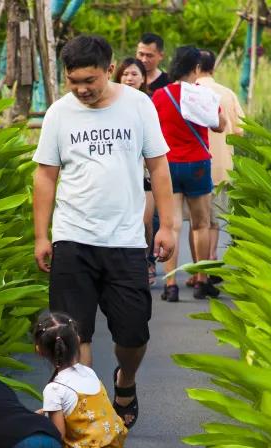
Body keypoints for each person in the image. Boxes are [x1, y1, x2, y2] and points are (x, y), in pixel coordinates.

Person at [32, 34, 177, 430]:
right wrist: (42, 236)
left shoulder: (138, 105)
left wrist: (168, 225)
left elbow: (159, 166)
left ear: (109, 70)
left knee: (132, 334)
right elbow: (46, 176)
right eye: (74, 81)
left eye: (90, 81)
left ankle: (124, 381)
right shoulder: (60, 113)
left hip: (126, 240)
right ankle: (86, 416)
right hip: (73, 237)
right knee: (71, 334)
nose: (82, 89)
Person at [150, 45, 225, 303]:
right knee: (201, 223)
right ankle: (201, 280)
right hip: (198, 165)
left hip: (168, 164)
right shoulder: (202, 95)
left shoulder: (159, 95)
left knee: (172, 225)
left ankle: (171, 284)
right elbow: (220, 126)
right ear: (195, 68)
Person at [34, 311, 126, 448]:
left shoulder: (54, 389)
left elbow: (58, 435)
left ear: (39, 350)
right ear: (77, 340)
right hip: (112, 443)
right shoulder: (88, 372)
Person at [196, 49, 245, 266]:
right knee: (214, 220)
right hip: (221, 166)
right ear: (213, 67)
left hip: (192, 164)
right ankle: (212, 257)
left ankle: (198, 266)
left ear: (194, 67)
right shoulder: (227, 94)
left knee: (197, 223)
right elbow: (239, 131)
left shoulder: (187, 92)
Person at [114, 57, 157, 286]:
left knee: (145, 221)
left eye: (134, 74)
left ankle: (145, 261)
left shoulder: (147, 104)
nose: (129, 78)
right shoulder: (108, 103)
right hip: (119, 175)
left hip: (145, 174)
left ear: (143, 79)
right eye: (125, 74)